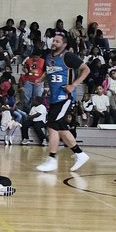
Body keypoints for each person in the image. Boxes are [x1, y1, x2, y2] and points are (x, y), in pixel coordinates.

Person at [35, 31, 91, 172]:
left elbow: (86, 69)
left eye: (57, 41)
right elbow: (49, 71)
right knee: (61, 129)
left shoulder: (68, 56)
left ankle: (52, 159)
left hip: (64, 98)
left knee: (52, 126)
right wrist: (40, 79)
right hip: (54, 98)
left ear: (64, 44)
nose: (54, 43)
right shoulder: (48, 57)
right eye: (53, 40)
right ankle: (80, 154)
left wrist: (74, 85)